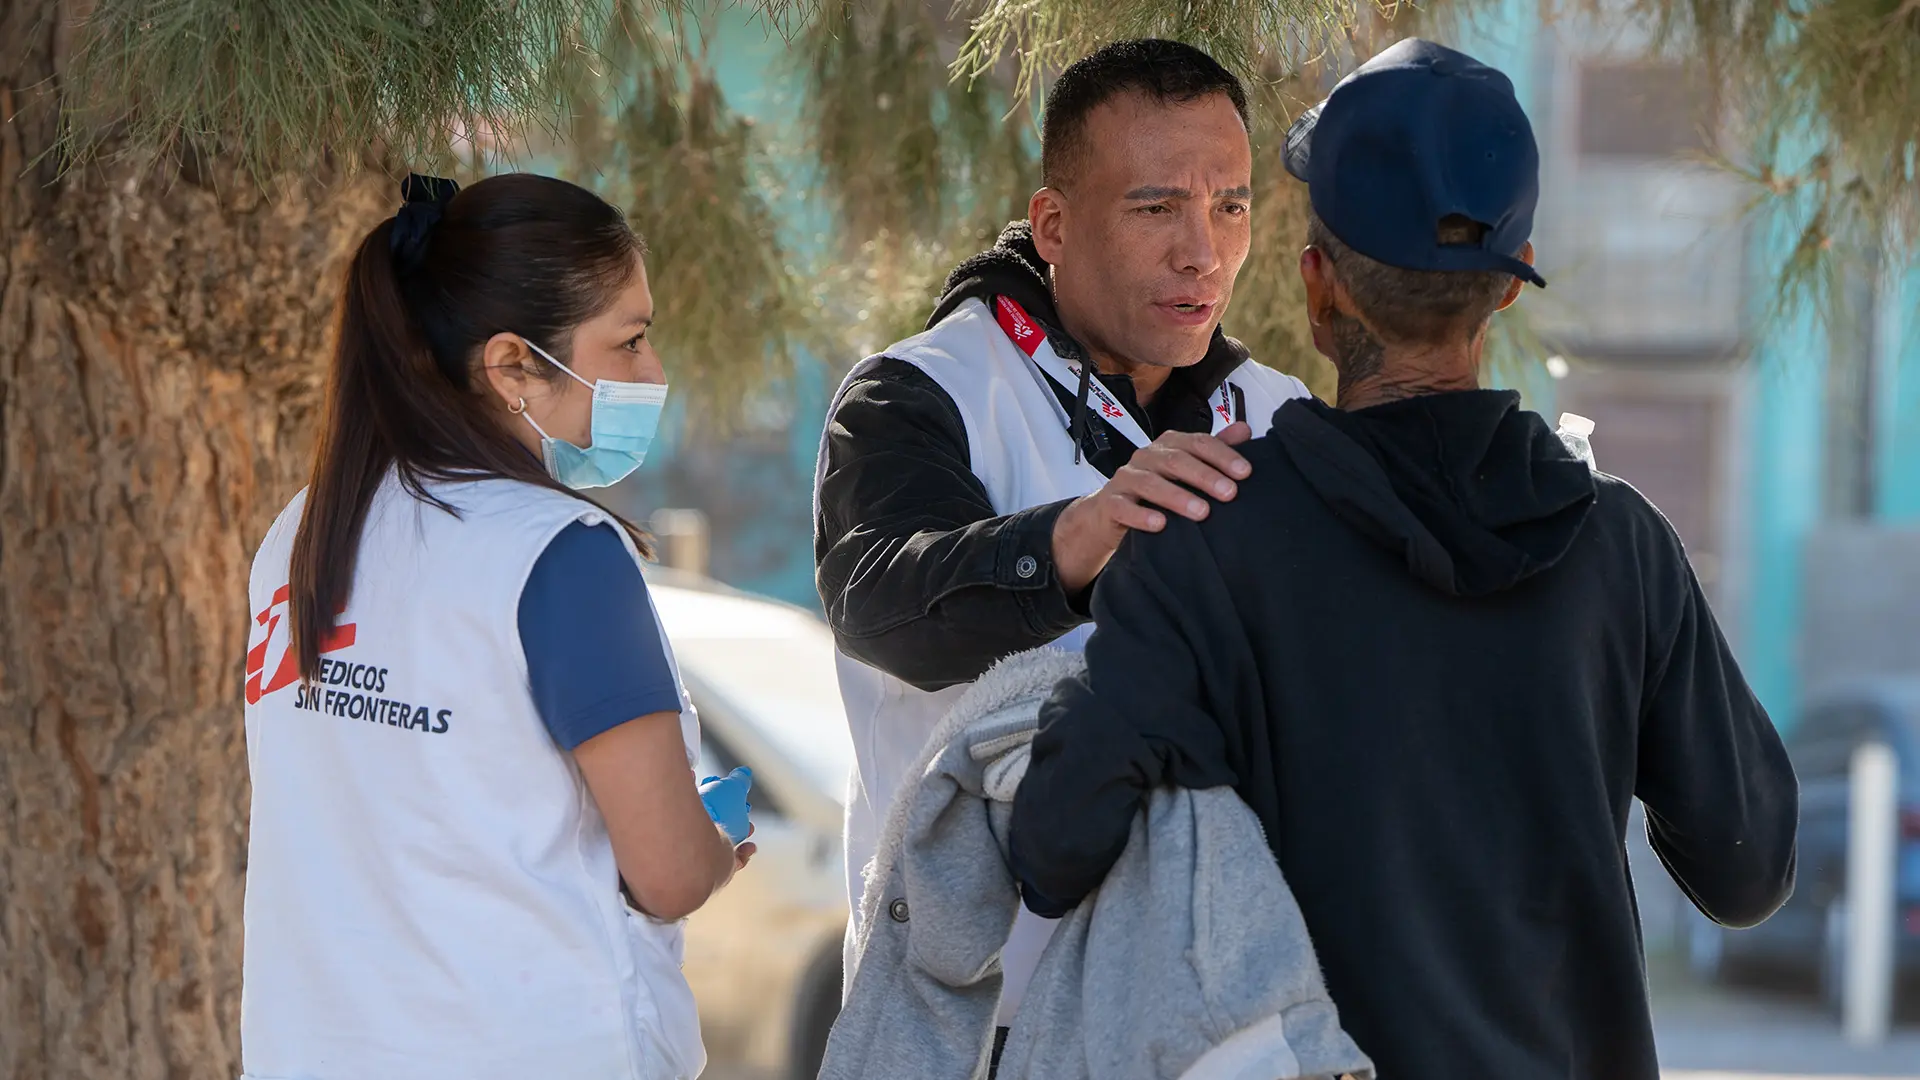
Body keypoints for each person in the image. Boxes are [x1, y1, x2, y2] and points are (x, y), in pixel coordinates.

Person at [1008, 38, 1799, 1080]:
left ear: (1317, 286)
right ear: (1506, 293)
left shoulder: (1202, 536)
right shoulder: (1622, 547)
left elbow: (1052, 850)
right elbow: (1748, 872)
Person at [811, 38, 1313, 1052]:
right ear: (1053, 222)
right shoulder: (921, 390)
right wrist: (1077, 540)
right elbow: (878, 600)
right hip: (980, 1019)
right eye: (1156, 206)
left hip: (1223, 1018)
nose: (1202, 251)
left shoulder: (1281, 415)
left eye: (1231, 206)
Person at [240, 173, 755, 1080]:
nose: (654, 372)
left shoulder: (300, 533)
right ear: (513, 363)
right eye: (629, 341)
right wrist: (717, 848)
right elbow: (669, 873)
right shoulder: (558, 554)